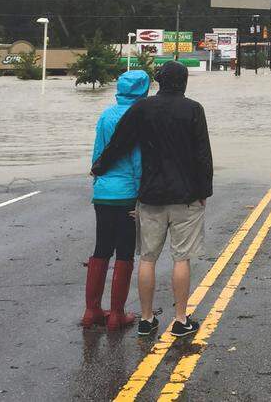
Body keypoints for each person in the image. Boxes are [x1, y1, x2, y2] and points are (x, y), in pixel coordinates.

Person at [91, 61, 213, 338]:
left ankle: (146, 320)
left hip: (150, 195)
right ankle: (181, 320)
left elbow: (119, 145)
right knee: (181, 258)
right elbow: (203, 155)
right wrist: (204, 191)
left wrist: (99, 167)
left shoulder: (142, 108)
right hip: (186, 196)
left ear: (158, 82)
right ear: (184, 83)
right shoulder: (193, 109)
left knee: (147, 258)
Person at [82, 70, 150, 331]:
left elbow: (98, 153)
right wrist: (141, 196)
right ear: (143, 90)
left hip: (103, 192)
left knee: (101, 248)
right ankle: (117, 314)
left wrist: (98, 181)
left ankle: (92, 310)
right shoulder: (140, 117)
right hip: (127, 193)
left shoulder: (106, 114)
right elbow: (138, 160)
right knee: (124, 251)